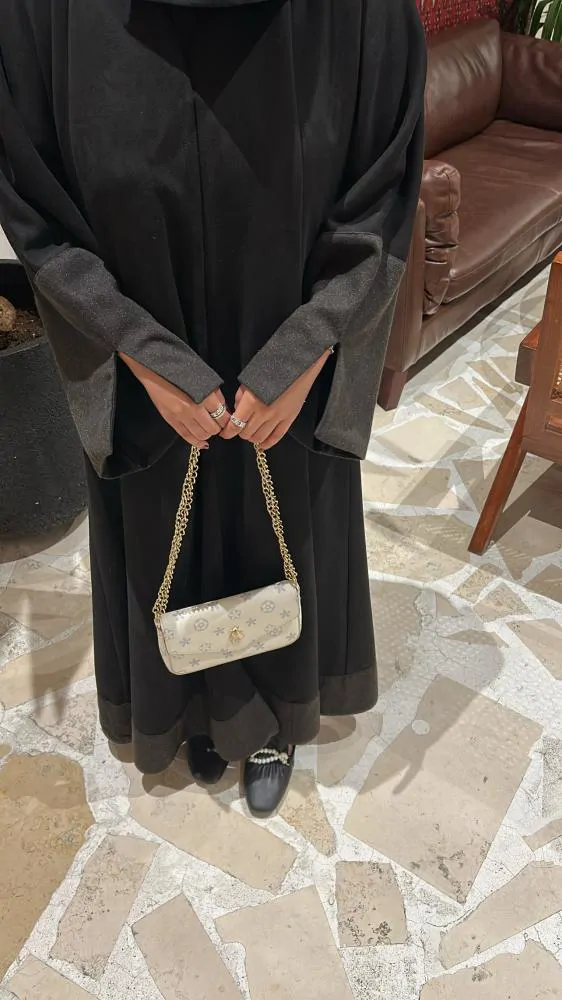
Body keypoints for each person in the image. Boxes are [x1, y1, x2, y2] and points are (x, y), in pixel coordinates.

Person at [0, 0, 426, 816]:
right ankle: (195, 705)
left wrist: (309, 349)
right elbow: (32, 194)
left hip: (292, 323)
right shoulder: (42, 13)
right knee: (165, 520)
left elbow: (384, 177)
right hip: (141, 342)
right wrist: (142, 355)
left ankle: (272, 719)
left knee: (282, 520)